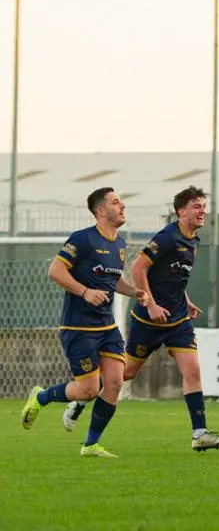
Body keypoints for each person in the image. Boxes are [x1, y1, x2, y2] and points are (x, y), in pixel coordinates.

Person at [21, 187, 148, 458]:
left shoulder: (120, 244)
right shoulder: (83, 239)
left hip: (107, 327)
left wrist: (134, 291)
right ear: (101, 211)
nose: (123, 205)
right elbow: (54, 270)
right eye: (116, 202)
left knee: (114, 383)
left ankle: (91, 444)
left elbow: (113, 280)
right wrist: (85, 291)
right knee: (88, 390)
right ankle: (41, 397)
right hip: (79, 328)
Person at [121, 186, 219, 452]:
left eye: (204, 206)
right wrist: (151, 305)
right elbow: (138, 268)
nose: (202, 211)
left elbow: (173, 277)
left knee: (192, 370)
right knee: (126, 373)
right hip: (149, 321)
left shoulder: (193, 240)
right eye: (196, 206)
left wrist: (185, 299)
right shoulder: (168, 237)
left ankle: (200, 433)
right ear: (181, 211)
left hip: (178, 320)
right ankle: (82, 394)